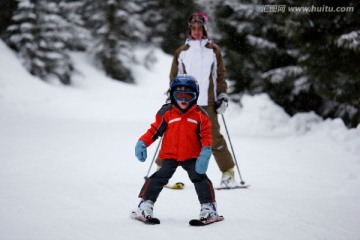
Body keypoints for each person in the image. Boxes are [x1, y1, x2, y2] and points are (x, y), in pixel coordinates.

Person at [156, 11, 236, 187]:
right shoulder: (182, 52)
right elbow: (174, 77)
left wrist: (222, 95)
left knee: (213, 137)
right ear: (189, 30)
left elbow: (220, 76)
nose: (196, 31)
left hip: (207, 103)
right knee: (175, 135)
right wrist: (173, 96)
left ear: (205, 29)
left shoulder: (213, 51)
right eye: (193, 28)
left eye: (200, 28)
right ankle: (160, 170)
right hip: (185, 102)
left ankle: (228, 173)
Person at [134, 75, 220, 221]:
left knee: (200, 178)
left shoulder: (201, 115)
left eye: (188, 96)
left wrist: (205, 152)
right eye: (179, 95)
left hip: (192, 156)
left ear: (196, 96)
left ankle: (209, 207)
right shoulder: (166, 112)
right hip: (170, 155)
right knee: (159, 177)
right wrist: (142, 142)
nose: (184, 100)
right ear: (172, 95)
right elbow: (154, 131)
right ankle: (145, 204)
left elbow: (206, 136)